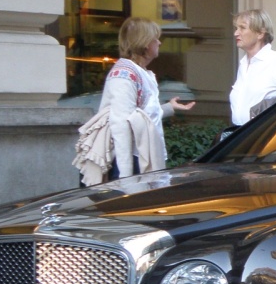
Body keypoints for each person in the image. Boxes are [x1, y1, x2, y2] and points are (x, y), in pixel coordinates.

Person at [75, 17, 194, 184]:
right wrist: (126, 178)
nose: (159, 43)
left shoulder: (139, 72)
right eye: (156, 39)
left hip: (140, 158)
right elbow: (121, 125)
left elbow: (144, 115)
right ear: (145, 43)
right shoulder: (124, 74)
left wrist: (168, 107)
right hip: (132, 162)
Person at [229, 9, 276, 125]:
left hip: (266, 136)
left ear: (260, 33)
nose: (236, 33)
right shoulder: (244, 63)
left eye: (242, 28)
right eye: (236, 28)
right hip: (240, 136)